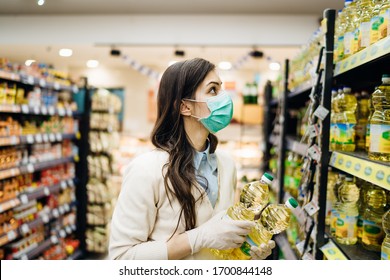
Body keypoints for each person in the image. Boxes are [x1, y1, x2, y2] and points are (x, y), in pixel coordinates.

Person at [109, 57, 275, 260]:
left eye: (222, 89)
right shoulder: (147, 169)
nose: (225, 98)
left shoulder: (226, 164)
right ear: (185, 107)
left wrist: (244, 253)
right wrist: (199, 237)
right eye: (213, 90)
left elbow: (219, 242)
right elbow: (122, 257)